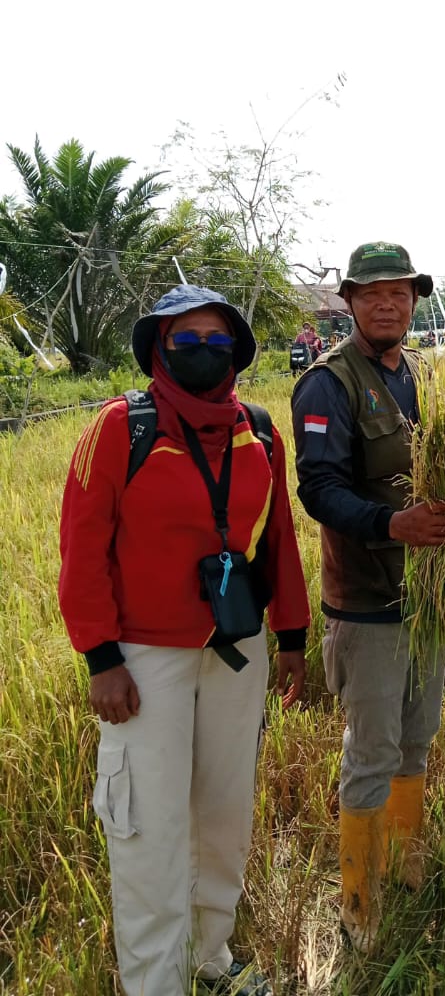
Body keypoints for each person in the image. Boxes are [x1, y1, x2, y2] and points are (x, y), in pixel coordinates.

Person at [58, 285, 311, 996]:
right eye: (186, 342)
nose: (203, 354)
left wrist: (290, 634)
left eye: (216, 342)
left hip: (236, 650)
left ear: (237, 352)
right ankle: (154, 983)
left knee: (223, 811)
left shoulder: (258, 430)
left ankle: (210, 958)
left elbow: (278, 541)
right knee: (147, 826)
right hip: (143, 661)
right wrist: (101, 658)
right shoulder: (121, 427)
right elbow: (82, 550)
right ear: (159, 351)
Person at [290, 242, 445, 951]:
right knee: (371, 749)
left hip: (426, 601)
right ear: (350, 302)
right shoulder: (328, 383)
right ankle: (358, 904)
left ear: (414, 300)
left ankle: (407, 865)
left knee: (416, 738)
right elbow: (318, 489)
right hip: (366, 603)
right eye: (373, 294)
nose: (388, 304)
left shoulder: (417, 378)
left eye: (400, 292)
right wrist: (393, 524)